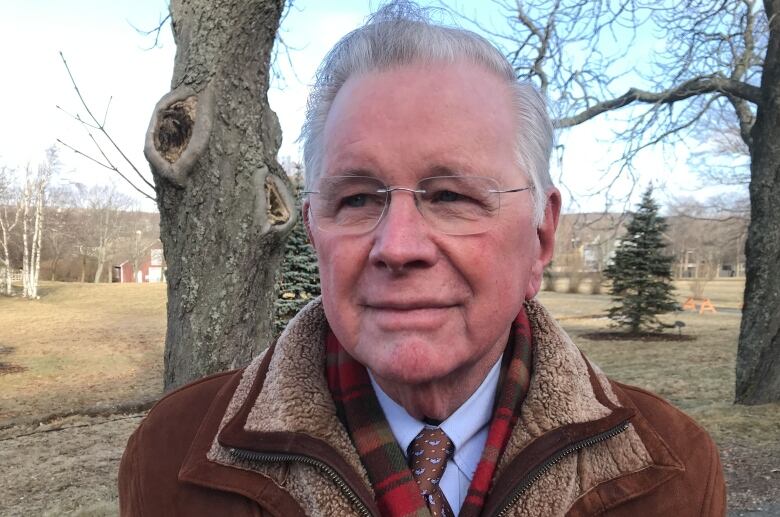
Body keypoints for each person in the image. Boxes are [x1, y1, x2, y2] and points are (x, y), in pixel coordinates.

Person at [119, 3, 726, 515]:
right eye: (356, 198)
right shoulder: (173, 460)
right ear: (313, 232)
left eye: (453, 197)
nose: (399, 246)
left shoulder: (672, 473)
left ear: (540, 237)